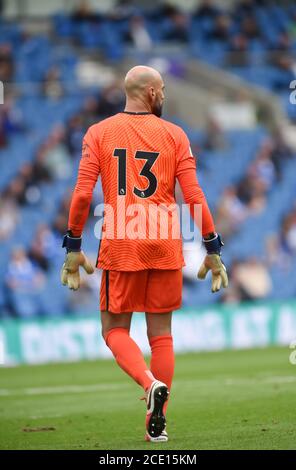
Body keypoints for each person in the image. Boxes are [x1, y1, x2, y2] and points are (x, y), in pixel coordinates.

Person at [60, 65, 228, 442]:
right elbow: (194, 196)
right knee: (162, 336)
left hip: (121, 239)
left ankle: (149, 382)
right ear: (151, 93)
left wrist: (73, 246)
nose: (165, 95)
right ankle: (159, 424)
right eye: (163, 89)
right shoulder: (175, 135)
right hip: (165, 240)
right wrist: (213, 248)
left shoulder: (98, 133)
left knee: (114, 330)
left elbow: (84, 194)